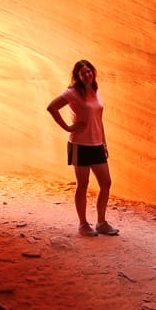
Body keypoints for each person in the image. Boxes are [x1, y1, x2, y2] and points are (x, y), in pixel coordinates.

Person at [46, 59, 119, 236]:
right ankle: (83, 225)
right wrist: (68, 127)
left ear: (93, 72)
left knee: (106, 183)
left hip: (97, 145)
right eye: (83, 72)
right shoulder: (72, 93)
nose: (87, 74)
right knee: (83, 185)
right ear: (77, 76)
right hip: (80, 145)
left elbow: (98, 120)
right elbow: (52, 107)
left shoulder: (95, 90)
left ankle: (101, 223)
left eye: (89, 71)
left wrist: (104, 142)